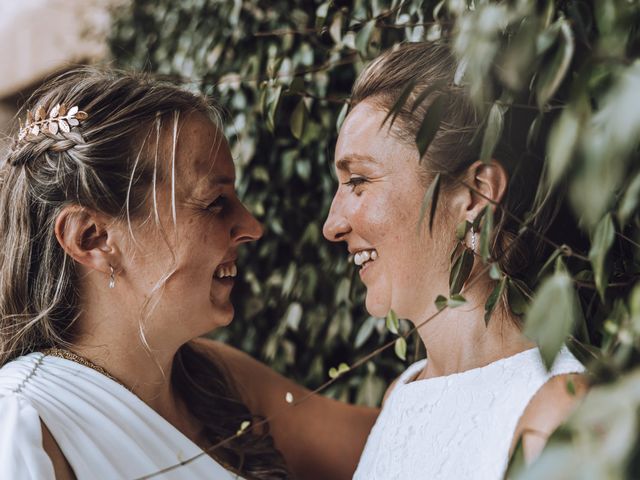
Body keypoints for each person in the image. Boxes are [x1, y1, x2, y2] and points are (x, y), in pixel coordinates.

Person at [0, 68, 377, 480]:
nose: (252, 226)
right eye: (215, 202)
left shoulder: (214, 379)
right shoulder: (24, 422)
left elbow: (397, 439)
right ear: (93, 238)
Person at [322, 42, 588, 479]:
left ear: (475, 194)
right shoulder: (401, 396)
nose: (332, 224)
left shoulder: (554, 412)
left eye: (359, 180)